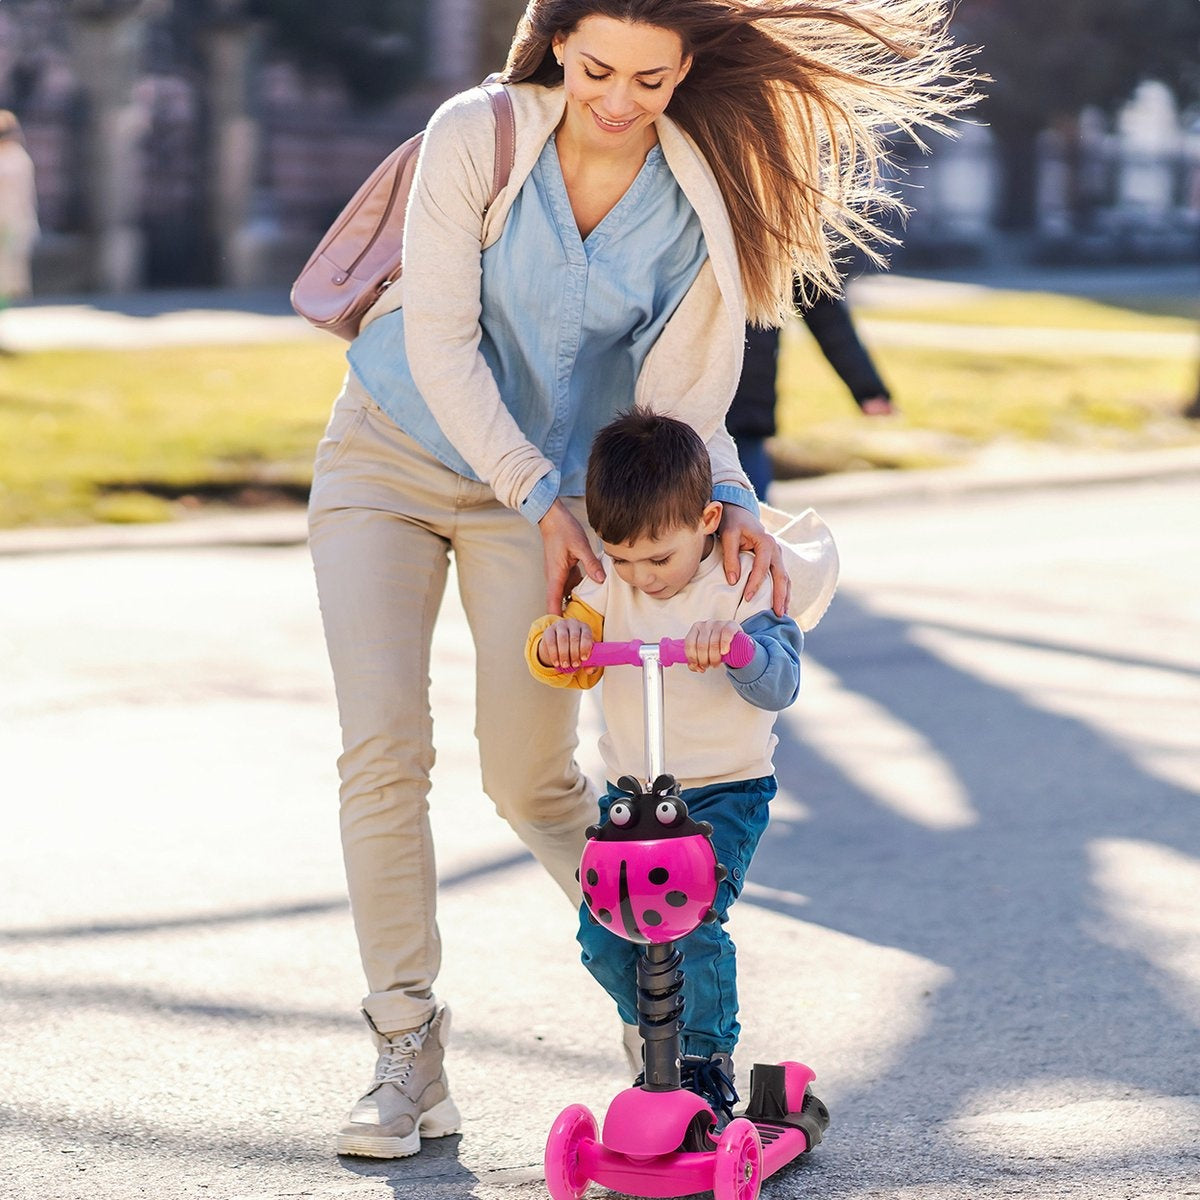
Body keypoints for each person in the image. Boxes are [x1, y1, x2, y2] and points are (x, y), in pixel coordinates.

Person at [306, 0, 970, 1160]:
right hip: (396, 459)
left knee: (532, 781)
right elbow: (440, 342)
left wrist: (741, 514)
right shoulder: (483, 131)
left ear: (684, 72)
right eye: (600, 66)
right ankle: (406, 1054)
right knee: (382, 751)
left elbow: (679, 404)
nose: (620, 99)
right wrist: (536, 494)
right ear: (559, 42)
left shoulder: (694, 193)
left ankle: (663, 1025)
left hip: (557, 505)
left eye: (652, 80)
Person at [526, 408, 804, 1124]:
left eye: (658, 559)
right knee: (603, 935)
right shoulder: (607, 586)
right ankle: (663, 1043)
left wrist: (739, 649)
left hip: (723, 793)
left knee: (692, 916)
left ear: (709, 519)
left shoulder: (741, 582)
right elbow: (567, 658)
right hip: (630, 798)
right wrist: (556, 641)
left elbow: (782, 682)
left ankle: (705, 1062)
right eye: (621, 558)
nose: (639, 577)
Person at [729, 289, 894, 499]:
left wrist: (867, 388)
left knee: (752, 515)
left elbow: (823, 307)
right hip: (690, 408)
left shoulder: (781, 255)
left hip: (744, 411)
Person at [0, 111, 38, 345]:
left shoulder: (17, 160)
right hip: (10, 226)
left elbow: (25, 200)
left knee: (5, 283)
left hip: (10, 229)